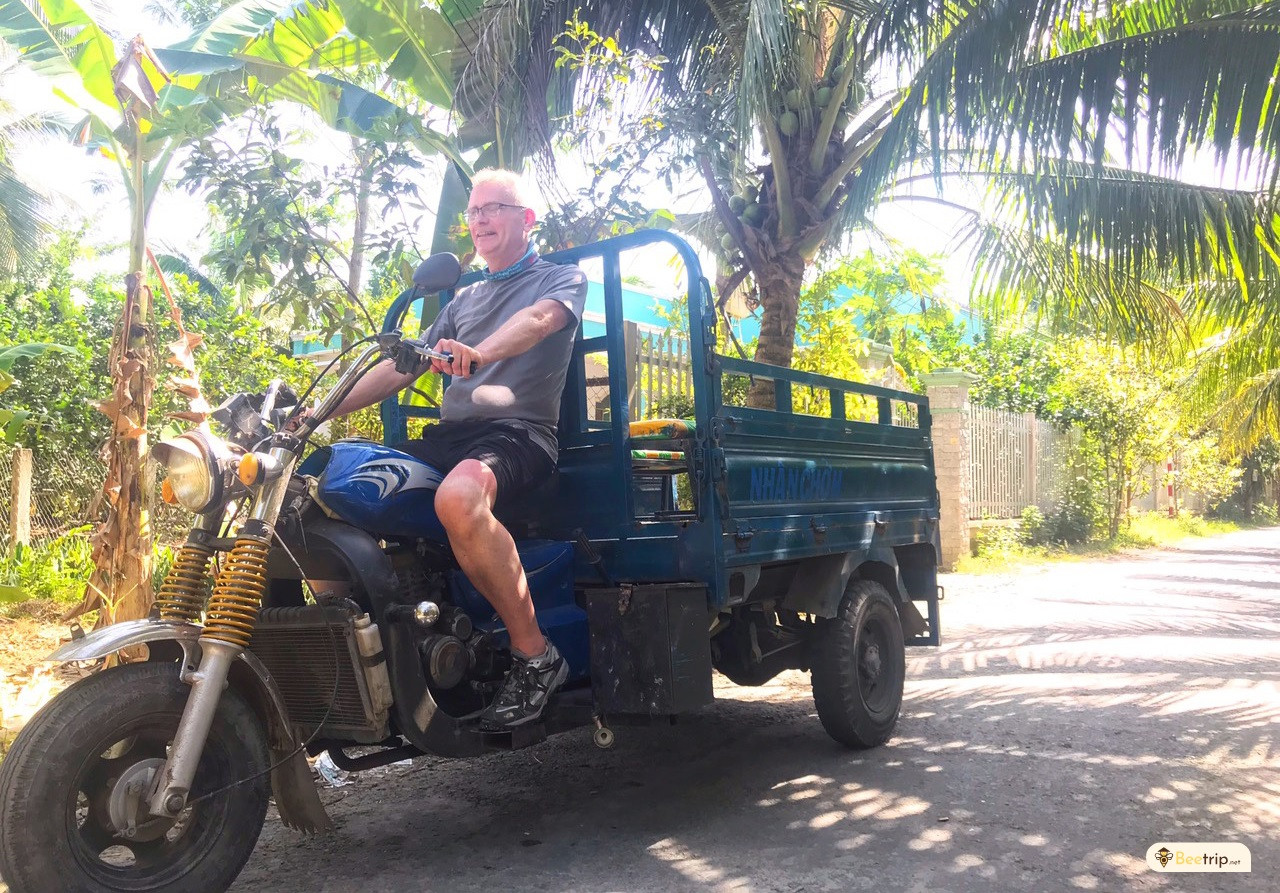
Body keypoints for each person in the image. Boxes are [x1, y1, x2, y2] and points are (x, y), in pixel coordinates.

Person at [317, 168, 588, 730]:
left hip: (519, 434)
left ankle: (536, 656)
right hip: (452, 439)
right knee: (325, 488)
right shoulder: (464, 297)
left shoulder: (561, 278)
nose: (480, 220)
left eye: (493, 208)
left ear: (526, 219)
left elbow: (538, 322)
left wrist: (479, 353)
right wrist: (316, 411)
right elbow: (400, 367)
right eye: (474, 212)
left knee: (460, 497)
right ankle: (347, 648)